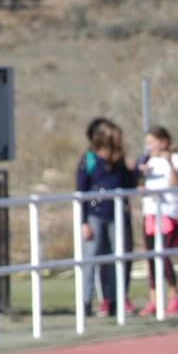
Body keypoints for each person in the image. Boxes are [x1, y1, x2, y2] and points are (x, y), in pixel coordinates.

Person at [76, 120, 139, 317]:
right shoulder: (89, 159)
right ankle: (85, 302)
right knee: (91, 257)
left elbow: (128, 184)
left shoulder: (118, 160)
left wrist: (135, 170)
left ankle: (115, 299)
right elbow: (80, 191)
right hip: (95, 215)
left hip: (116, 215)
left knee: (117, 257)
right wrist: (83, 221)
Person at [137, 126, 178, 316]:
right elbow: (139, 183)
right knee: (151, 257)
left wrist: (169, 163)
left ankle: (174, 294)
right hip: (150, 212)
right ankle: (154, 299)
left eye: (152, 142)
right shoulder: (147, 160)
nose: (148, 146)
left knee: (163, 255)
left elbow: (176, 183)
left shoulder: (175, 159)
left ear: (163, 142)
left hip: (167, 212)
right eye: (147, 143)